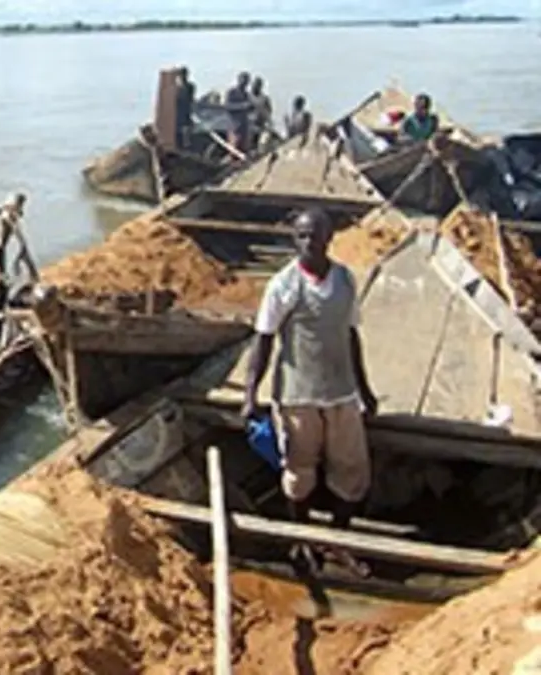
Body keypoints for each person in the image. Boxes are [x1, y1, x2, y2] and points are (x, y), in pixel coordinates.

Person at [242, 207, 380, 572]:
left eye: (315, 235)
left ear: (329, 237)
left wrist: (364, 390)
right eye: (302, 236)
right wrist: (250, 394)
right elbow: (264, 340)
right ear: (294, 239)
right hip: (297, 394)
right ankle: (301, 539)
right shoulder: (283, 285)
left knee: (351, 471)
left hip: (341, 391)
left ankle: (337, 540)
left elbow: (351, 335)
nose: (309, 243)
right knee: (299, 470)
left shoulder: (346, 281)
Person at [224, 71, 255, 154]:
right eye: (243, 80)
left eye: (247, 81)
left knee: (244, 148)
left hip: (244, 126)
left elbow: (251, 109)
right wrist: (242, 106)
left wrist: (251, 107)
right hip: (234, 125)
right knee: (234, 149)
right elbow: (227, 106)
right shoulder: (232, 92)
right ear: (239, 80)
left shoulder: (246, 95)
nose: (245, 83)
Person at [174, 66, 197, 150]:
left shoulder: (189, 87)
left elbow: (189, 98)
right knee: (180, 132)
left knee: (185, 131)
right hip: (180, 114)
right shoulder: (176, 88)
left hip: (185, 112)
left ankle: (186, 145)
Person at [249, 76, 274, 148]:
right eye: (254, 84)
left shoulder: (265, 98)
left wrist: (269, 123)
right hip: (249, 124)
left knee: (262, 142)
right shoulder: (247, 96)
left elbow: (269, 111)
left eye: (258, 85)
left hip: (261, 124)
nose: (255, 86)